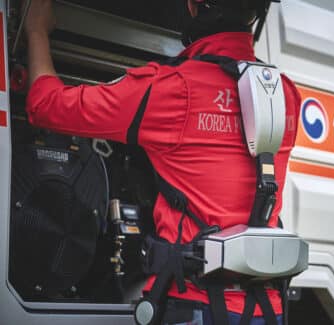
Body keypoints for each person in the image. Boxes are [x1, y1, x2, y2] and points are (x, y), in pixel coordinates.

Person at [24, 0, 300, 324]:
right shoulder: (285, 94)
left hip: (196, 306)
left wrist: (36, 31)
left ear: (195, 5)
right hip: (268, 309)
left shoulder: (172, 88)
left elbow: (45, 105)